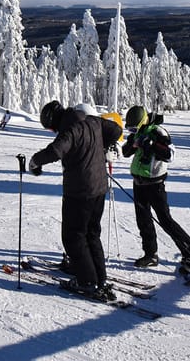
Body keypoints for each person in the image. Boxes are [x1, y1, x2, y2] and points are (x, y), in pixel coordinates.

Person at [28, 100, 123, 300]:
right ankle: (99, 278)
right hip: (99, 188)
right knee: (91, 234)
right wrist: (102, 145)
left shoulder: (70, 129)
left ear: (54, 121)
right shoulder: (92, 121)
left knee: (73, 237)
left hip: (80, 192)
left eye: (52, 128)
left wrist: (35, 160)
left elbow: (56, 151)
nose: (54, 132)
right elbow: (115, 129)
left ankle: (87, 282)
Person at [122, 105, 190, 280]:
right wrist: (133, 142)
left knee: (165, 221)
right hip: (139, 182)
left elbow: (170, 155)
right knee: (143, 220)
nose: (132, 131)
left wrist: (152, 145)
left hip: (155, 184)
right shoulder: (139, 132)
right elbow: (125, 152)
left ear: (143, 121)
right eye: (130, 129)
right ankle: (150, 254)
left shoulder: (158, 132)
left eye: (133, 128)